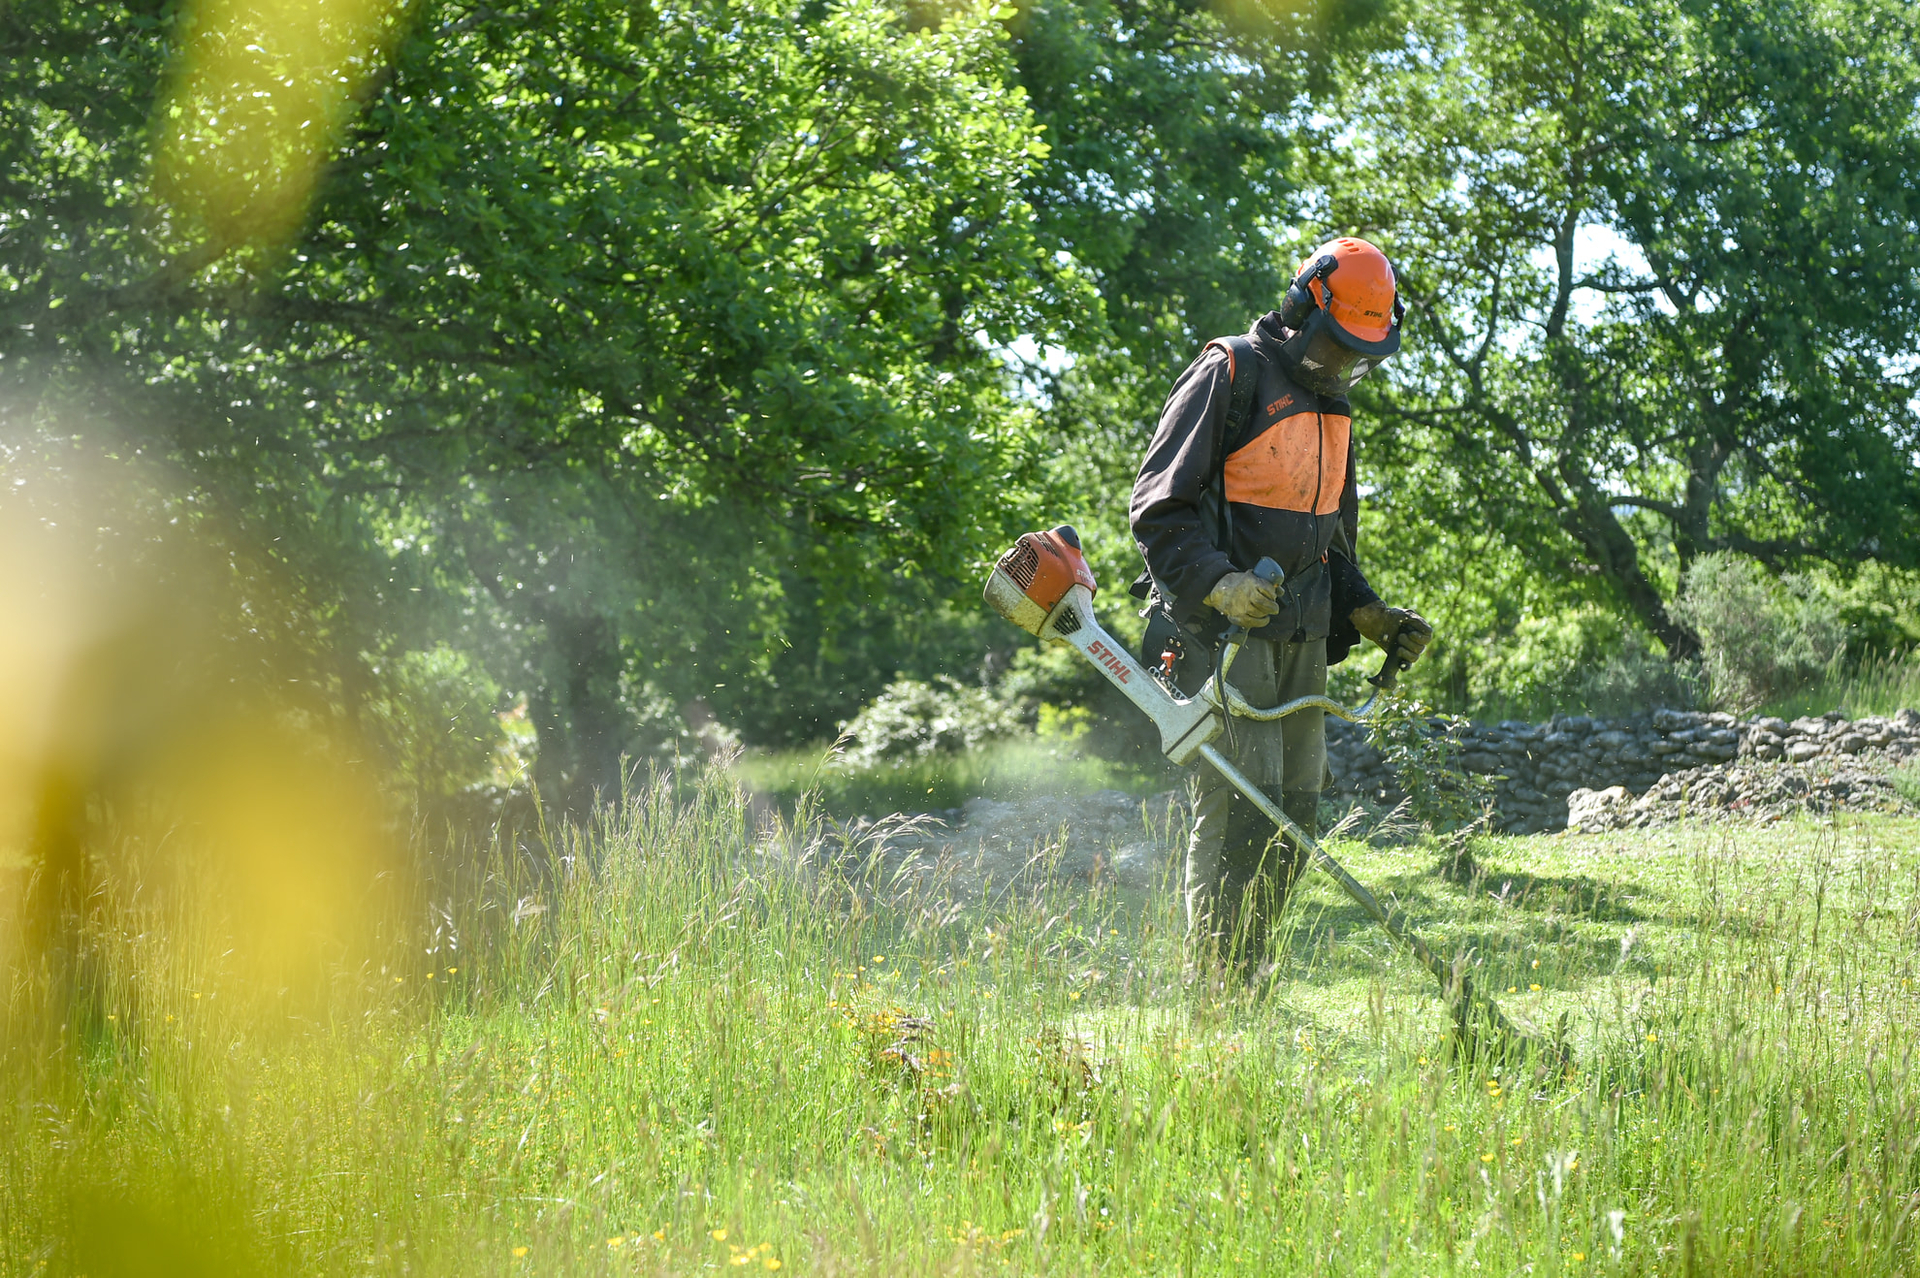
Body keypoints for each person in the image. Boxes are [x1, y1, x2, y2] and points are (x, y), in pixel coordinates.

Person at [1128, 236, 1433, 967]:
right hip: (1221, 633)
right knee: (1241, 806)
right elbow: (1158, 508)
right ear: (1303, 311)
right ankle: (1214, 985)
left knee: (1294, 814)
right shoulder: (1230, 372)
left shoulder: (1335, 407)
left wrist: (1365, 611)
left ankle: (1251, 973)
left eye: (1362, 354)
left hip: (1301, 638)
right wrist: (1220, 582)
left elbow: (1331, 543)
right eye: (1338, 345)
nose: (1346, 365)